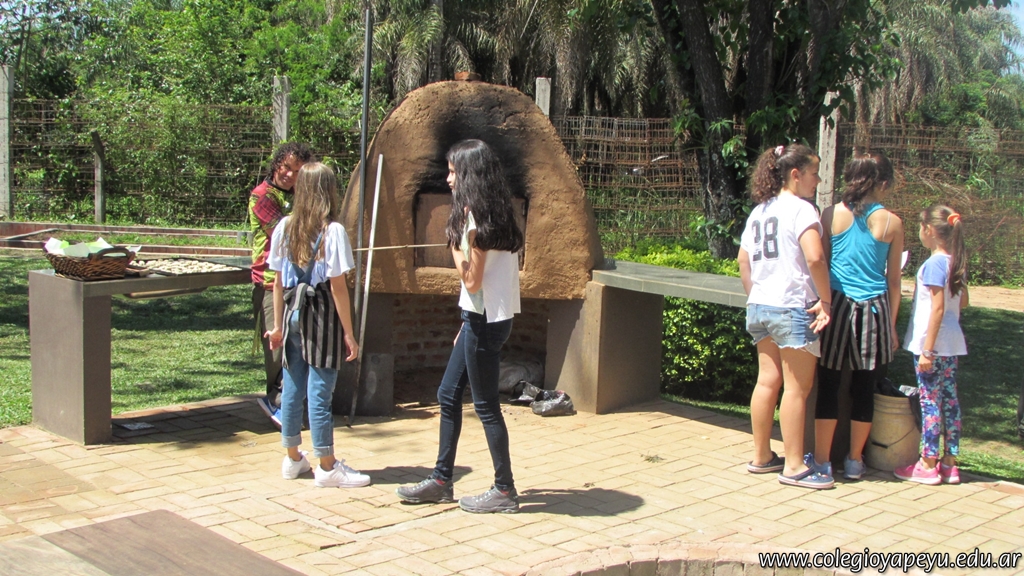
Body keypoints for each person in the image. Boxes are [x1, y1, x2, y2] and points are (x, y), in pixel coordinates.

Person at [396, 139, 524, 513]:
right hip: (481, 319)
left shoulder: (475, 221)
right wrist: (465, 323)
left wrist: (453, 244)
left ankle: (504, 490)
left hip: (484, 323)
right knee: (448, 394)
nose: (448, 179)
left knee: (486, 406)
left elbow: (471, 280)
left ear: (470, 175)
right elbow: (480, 289)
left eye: (453, 172)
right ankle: (441, 481)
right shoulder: (497, 214)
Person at [265, 162, 370, 489]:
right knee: (320, 392)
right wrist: (349, 333)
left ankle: (293, 457)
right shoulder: (332, 231)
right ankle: (327, 465)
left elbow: (277, 282)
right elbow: (338, 287)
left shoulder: (284, 227)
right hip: (321, 315)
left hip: (292, 312)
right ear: (328, 191)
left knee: (292, 387)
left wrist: (278, 326)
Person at [740, 144, 834, 489]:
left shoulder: (759, 211)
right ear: (796, 174)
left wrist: (757, 295)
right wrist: (825, 300)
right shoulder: (803, 210)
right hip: (793, 307)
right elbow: (815, 258)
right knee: (797, 388)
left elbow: (743, 260)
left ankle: (762, 456)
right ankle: (794, 466)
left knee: (767, 381)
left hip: (760, 306)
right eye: (814, 174)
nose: (818, 181)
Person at [813, 151, 904, 481]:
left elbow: (822, 265)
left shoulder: (830, 214)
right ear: (883, 183)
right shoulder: (893, 222)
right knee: (865, 387)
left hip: (836, 306)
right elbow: (894, 282)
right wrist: (891, 326)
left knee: (829, 384)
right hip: (874, 310)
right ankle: (854, 460)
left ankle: (822, 461)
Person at [895, 205, 968, 485]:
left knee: (930, 401)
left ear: (928, 230)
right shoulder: (955, 261)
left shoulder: (935, 264)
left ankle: (927, 463)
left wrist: (927, 349)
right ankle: (950, 464)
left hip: (932, 346)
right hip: (951, 343)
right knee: (950, 400)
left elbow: (937, 308)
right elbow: (963, 301)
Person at [251, 142, 315, 427]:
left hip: (295, 283)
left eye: (298, 171)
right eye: (287, 167)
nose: (290, 175)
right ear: (276, 163)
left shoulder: (299, 196)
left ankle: (292, 406)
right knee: (277, 350)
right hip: (269, 283)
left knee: (296, 348)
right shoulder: (262, 196)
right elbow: (285, 233)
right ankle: (277, 404)